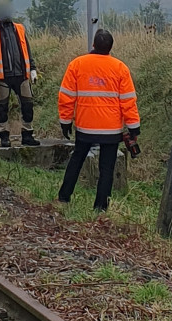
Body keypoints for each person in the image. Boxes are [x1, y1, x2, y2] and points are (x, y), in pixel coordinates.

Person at [57, 29, 140, 212]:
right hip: (111, 130)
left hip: (85, 127)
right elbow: (128, 101)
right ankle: (100, 207)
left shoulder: (77, 64)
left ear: (93, 45)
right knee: (107, 169)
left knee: (76, 160)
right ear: (110, 47)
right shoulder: (120, 68)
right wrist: (134, 128)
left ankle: (64, 197)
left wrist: (65, 121)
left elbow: (66, 97)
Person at [0, 9, 39, 148]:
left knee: (28, 105)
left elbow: (27, 50)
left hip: (22, 75)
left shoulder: (20, 29)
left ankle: (27, 134)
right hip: (2, 77)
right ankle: (4, 136)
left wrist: (32, 68)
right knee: (2, 107)